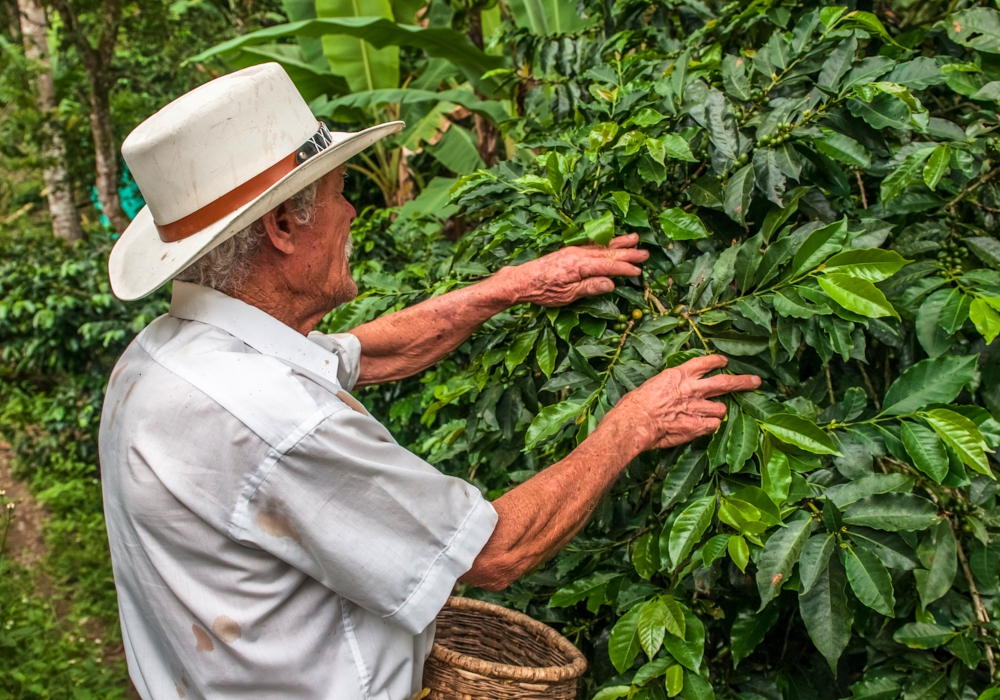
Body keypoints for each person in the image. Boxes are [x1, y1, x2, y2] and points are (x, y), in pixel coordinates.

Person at [99, 63, 760, 700]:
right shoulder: (276, 419)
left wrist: (507, 289)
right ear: (281, 228)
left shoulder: (163, 357)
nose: (353, 212)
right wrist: (633, 423)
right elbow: (496, 550)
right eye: (338, 196)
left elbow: (367, 352)